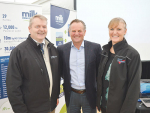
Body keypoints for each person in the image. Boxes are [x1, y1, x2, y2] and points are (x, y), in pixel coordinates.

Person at [6, 14, 60, 113]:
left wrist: (54, 96)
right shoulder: (19, 52)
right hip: (31, 110)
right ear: (29, 29)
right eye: (37, 26)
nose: (41, 29)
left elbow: (55, 76)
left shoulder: (52, 49)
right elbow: (12, 86)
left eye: (44, 26)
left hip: (51, 107)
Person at [96, 17, 142, 113]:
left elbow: (134, 88)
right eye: (112, 29)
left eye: (119, 29)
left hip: (120, 109)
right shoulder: (104, 51)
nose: (114, 32)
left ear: (125, 31)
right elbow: (100, 79)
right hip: (104, 106)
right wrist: (98, 101)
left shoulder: (132, 54)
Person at [57, 19, 102, 113]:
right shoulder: (62, 49)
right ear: (69, 32)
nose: (76, 34)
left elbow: (100, 72)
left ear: (84, 32)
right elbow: (60, 72)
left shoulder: (95, 48)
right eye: (73, 31)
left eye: (79, 31)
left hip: (89, 94)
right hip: (71, 94)